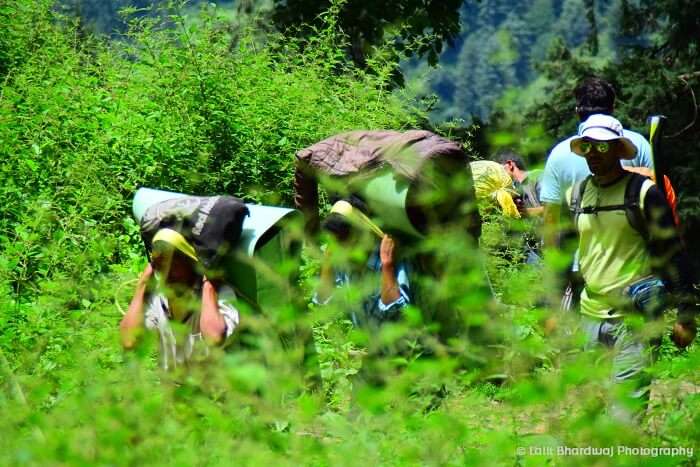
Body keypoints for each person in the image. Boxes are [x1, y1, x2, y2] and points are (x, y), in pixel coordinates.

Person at [566, 114, 696, 420]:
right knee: (592, 417)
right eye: (587, 147)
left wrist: (686, 316)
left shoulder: (643, 193)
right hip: (589, 319)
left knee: (624, 419)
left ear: (616, 149)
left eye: (601, 147)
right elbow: (567, 256)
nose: (593, 155)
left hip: (635, 321)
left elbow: (674, 253)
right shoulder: (577, 195)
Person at [540, 77, 654, 249]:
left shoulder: (558, 154)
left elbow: (550, 218)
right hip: (635, 256)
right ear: (613, 107)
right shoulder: (638, 144)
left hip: (581, 263)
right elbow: (656, 196)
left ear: (577, 110)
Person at [120, 228, 240, 370]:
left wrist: (208, 285)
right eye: (161, 266)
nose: (167, 273)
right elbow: (128, 341)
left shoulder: (220, 295)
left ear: (191, 263)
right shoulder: (160, 296)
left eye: (174, 265)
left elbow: (213, 338)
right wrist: (143, 284)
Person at [314, 199, 412, 327]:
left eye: (344, 239)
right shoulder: (342, 260)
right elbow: (323, 304)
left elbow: (397, 316)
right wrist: (327, 263)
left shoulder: (390, 258)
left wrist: (387, 266)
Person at [498, 149, 543, 217]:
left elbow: (554, 208)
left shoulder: (538, 176)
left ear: (510, 164)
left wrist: (524, 212)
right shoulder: (512, 188)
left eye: (498, 169)